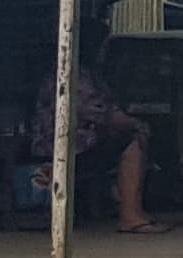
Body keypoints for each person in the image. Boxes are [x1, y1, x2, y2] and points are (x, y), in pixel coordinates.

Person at [31, 57, 157, 234]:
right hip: (62, 150)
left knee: (130, 138)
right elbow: (103, 114)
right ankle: (130, 215)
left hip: (72, 145)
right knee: (131, 141)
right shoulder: (73, 73)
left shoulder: (86, 72)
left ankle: (136, 210)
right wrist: (137, 124)